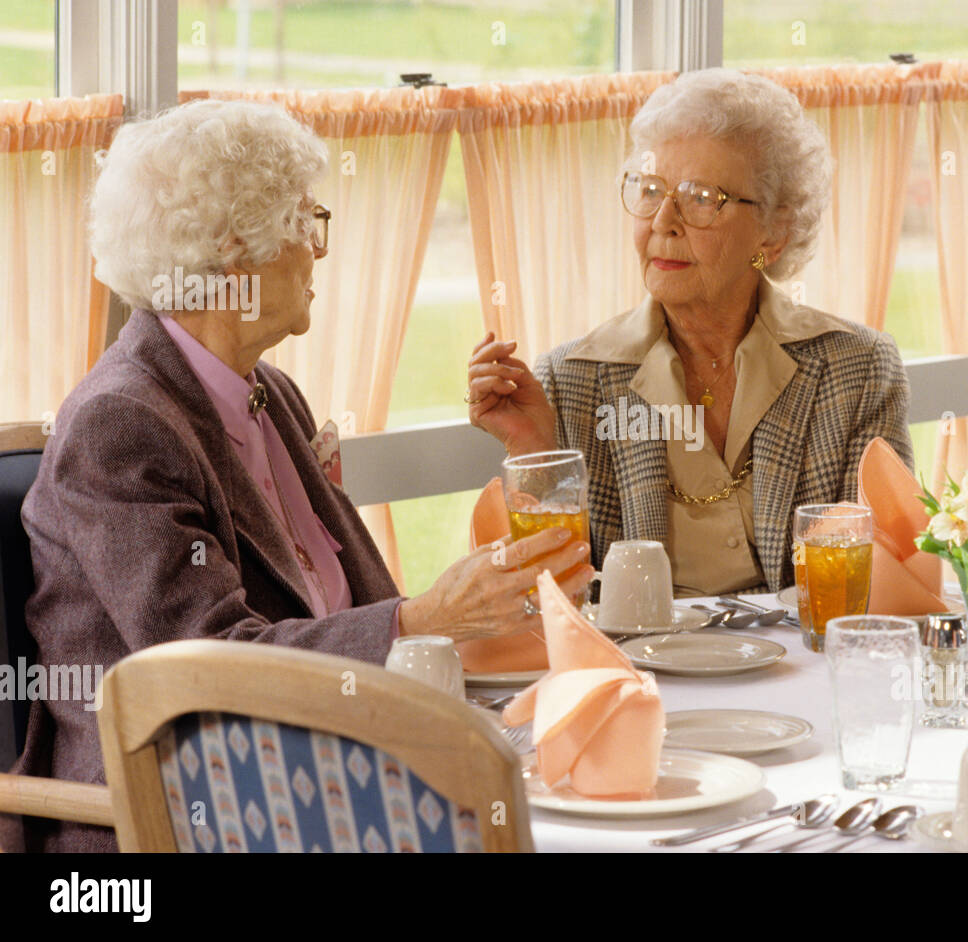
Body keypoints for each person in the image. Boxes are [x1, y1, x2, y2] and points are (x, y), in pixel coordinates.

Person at [2, 99, 592, 853]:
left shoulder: (266, 392)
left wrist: (458, 611)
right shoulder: (120, 424)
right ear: (234, 247)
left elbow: (352, 607)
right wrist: (425, 619)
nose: (317, 250)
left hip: (320, 764)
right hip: (183, 809)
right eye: (305, 223)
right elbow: (208, 665)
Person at [467, 69, 912, 596]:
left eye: (702, 197)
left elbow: (885, 577)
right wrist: (534, 452)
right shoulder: (572, 381)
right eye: (650, 190)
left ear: (773, 233)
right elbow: (552, 602)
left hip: (802, 669)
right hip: (641, 671)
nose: (663, 220)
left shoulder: (857, 368)